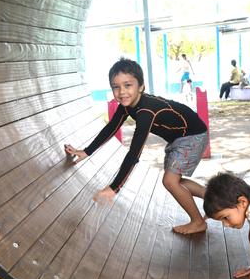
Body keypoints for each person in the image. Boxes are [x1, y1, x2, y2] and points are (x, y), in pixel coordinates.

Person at [64, 58, 209, 234]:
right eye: (115, 87)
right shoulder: (128, 106)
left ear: (141, 86)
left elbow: (134, 152)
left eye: (127, 85)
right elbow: (111, 128)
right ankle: (213, 196)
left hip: (192, 136)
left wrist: (114, 187)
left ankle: (198, 222)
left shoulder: (146, 110)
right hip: (181, 137)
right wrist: (86, 152)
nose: (122, 92)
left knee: (170, 181)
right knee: (175, 181)